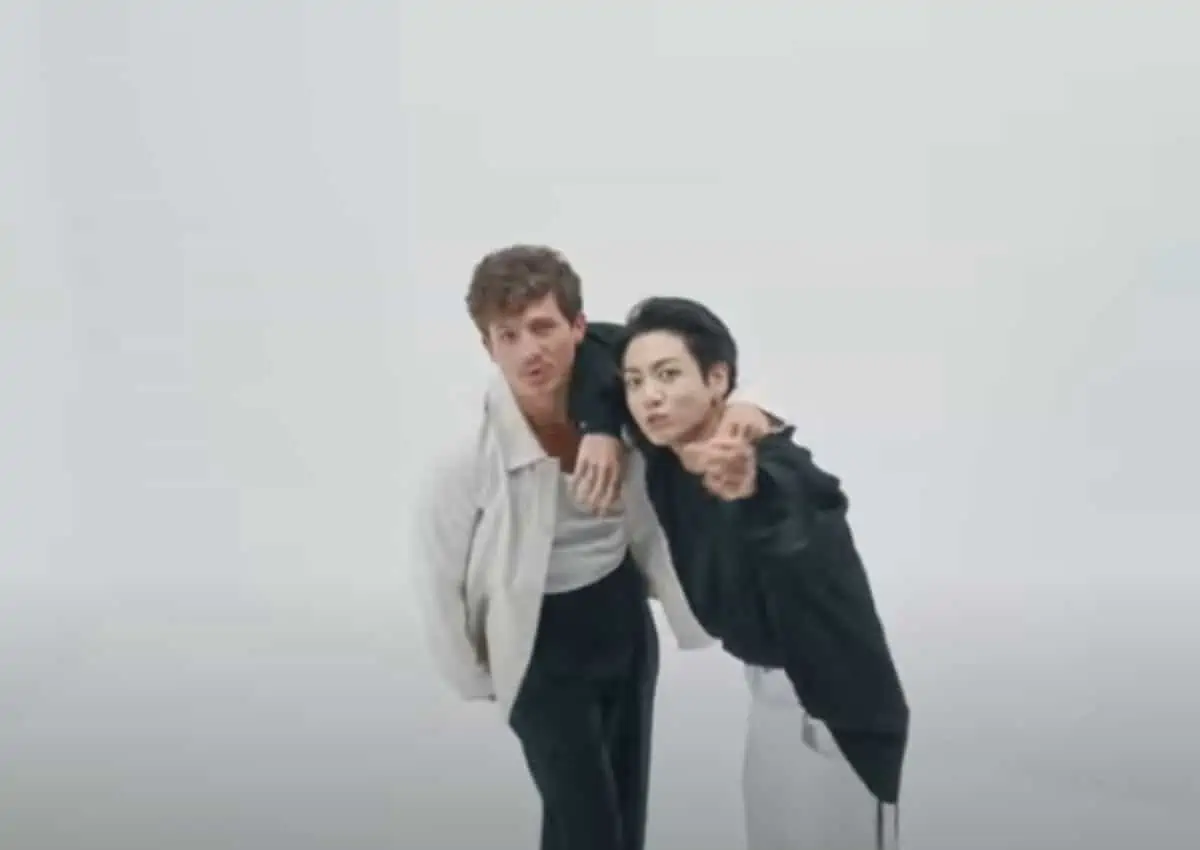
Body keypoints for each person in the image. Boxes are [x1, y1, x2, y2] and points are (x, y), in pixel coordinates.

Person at [412, 247, 768, 850]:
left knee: (622, 820)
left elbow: (691, 375)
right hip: (537, 646)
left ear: (579, 327)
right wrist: (470, 673)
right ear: (488, 346)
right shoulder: (465, 457)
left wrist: (610, 430)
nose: (529, 350)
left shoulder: (628, 407)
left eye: (544, 327)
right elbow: (438, 575)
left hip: (620, 622)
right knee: (589, 829)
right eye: (508, 335)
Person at [612, 296, 911, 850]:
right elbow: (579, 348)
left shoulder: (774, 462)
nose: (648, 395)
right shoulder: (665, 456)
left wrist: (750, 485)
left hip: (834, 714)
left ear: (717, 379)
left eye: (668, 374)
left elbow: (798, 505)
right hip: (770, 697)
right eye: (634, 381)